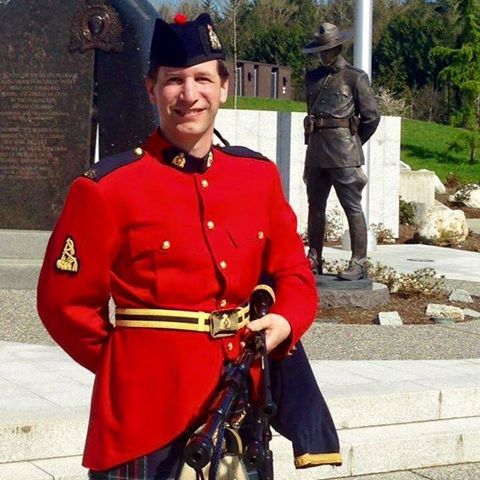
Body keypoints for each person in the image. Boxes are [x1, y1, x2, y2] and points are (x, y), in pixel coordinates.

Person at [37, 13, 340, 480]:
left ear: (224, 87)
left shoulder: (256, 178)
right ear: (151, 90)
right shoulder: (107, 189)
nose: (189, 94)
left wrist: (285, 320)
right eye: (174, 80)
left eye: (202, 79)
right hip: (143, 420)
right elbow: (64, 305)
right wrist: (127, 368)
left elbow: (294, 273)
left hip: (238, 407)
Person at [303, 22, 381, 280]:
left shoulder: (355, 77)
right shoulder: (312, 78)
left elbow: (371, 117)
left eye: (327, 50)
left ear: (338, 48)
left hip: (344, 154)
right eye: (320, 51)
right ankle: (314, 257)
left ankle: (358, 262)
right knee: (315, 207)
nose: (323, 55)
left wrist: (353, 142)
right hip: (316, 152)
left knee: (352, 206)